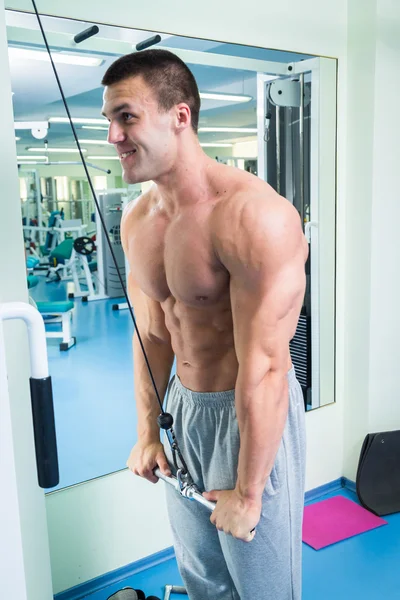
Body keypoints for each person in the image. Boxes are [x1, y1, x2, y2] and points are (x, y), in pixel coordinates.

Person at [101, 49, 308, 600]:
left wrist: (250, 490)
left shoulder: (253, 218)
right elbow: (151, 336)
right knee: (205, 582)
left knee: (262, 588)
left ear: (180, 116)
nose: (114, 136)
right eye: (109, 121)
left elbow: (264, 367)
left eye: (127, 116)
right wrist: (149, 431)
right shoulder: (138, 221)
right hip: (183, 411)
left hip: (250, 415)